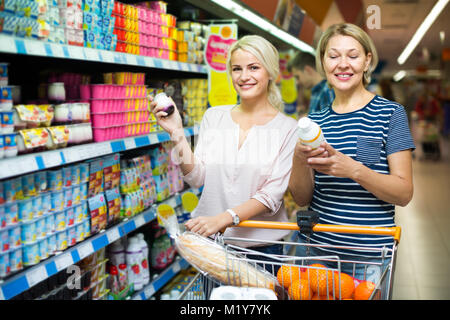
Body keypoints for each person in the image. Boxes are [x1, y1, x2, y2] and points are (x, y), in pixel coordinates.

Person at [150, 35, 298, 267]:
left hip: (263, 249)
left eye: (254, 67)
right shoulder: (214, 116)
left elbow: (271, 196)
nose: (244, 76)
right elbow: (197, 178)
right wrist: (177, 132)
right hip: (214, 245)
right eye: (237, 69)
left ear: (269, 72)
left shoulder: (287, 128)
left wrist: (225, 218)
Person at [288, 23, 415, 282]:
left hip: (368, 257)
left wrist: (353, 170)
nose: (343, 64)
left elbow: (403, 193)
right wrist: (298, 160)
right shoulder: (314, 122)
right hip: (317, 253)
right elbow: (301, 198)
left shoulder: (390, 114)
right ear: (323, 63)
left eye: (353, 56)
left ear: (367, 61)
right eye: (333, 56)